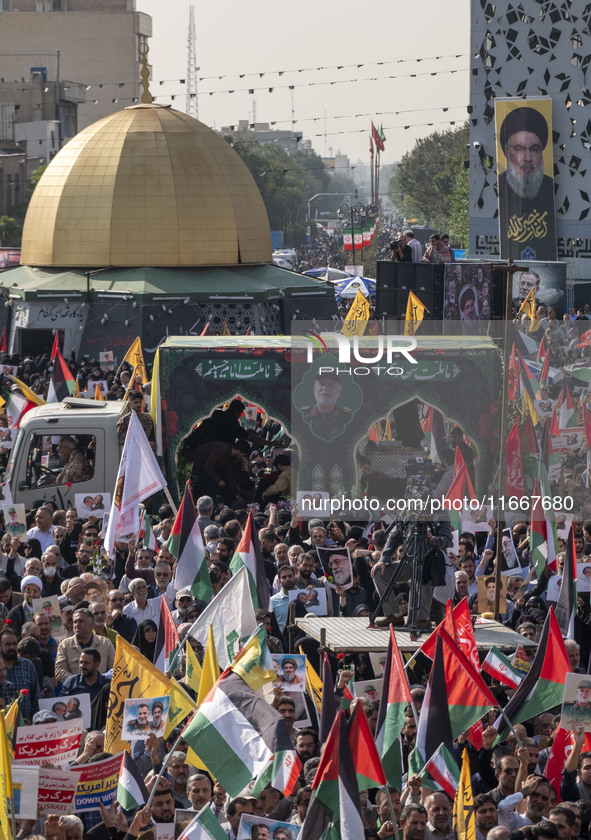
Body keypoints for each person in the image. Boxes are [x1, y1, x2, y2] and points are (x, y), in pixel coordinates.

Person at [497, 105, 557, 260]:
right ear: (506, 151)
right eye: (519, 149)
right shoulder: (497, 188)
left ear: (541, 152)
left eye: (534, 149)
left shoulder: (553, 189)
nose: (528, 157)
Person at [302, 371, 352, 442]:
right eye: (322, 384)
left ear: (339, 391)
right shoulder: (302, 416)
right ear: (314, 388)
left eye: (330, 385)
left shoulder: (348, 418)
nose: (325, 388)